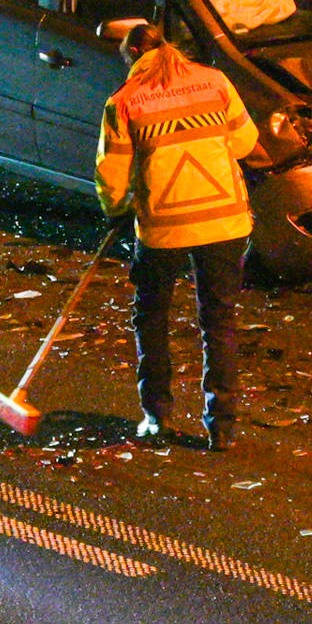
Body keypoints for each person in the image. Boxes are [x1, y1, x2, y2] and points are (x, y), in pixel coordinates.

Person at [95, 23, 259, 451]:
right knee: (218, 320)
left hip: (163, 226)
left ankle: (157, 415)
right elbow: (245, 142)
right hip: (225, 221)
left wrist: (115, 210)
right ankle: (221, 426)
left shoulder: (124, 101)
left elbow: (111, 172)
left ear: (132, 57)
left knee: (152, 318)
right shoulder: (215, 82)